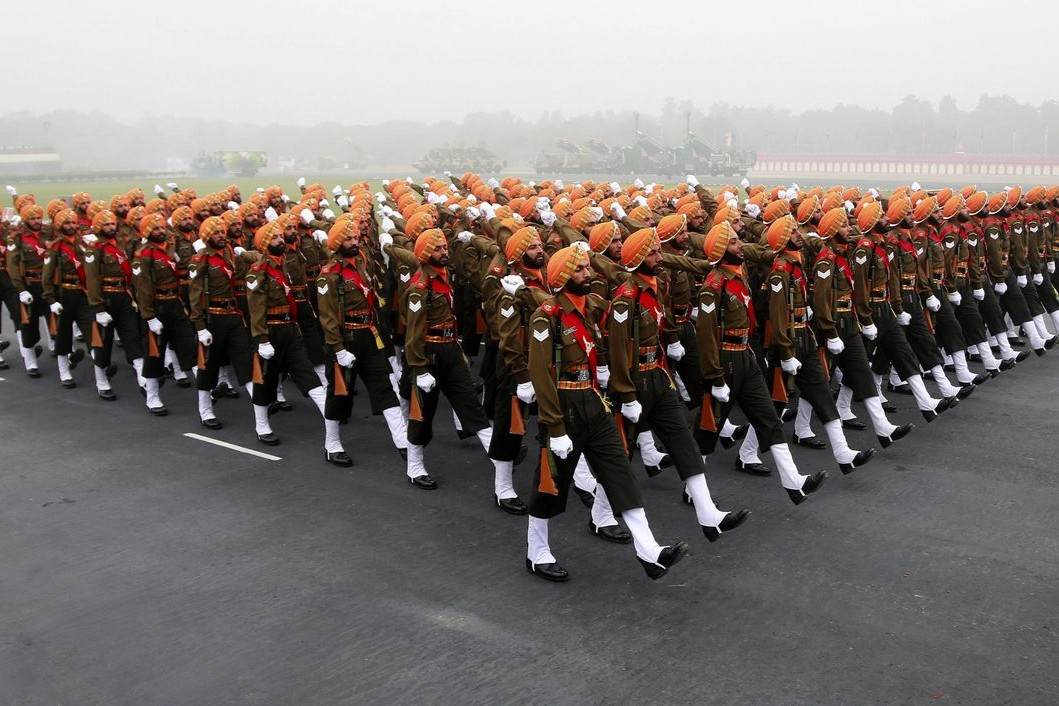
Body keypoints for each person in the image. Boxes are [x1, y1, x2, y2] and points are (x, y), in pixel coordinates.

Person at [525, 244, 688, 581]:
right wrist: (555, 428)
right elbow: (541, 375)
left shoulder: (590, 308)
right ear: (563, 276)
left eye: (588, 267)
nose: (588, 274)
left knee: (619, 472)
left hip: (595, 403)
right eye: (581, 269)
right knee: (549, 487)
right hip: (565, 409)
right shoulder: (547, 316)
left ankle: (650, 551)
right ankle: (537, 552)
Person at [316, 219, 409, 466]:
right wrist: (337, 349)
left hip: (369, 336)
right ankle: (332, 444)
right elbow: (327, 317)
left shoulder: (360, 265)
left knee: (385, 388)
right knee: (338, 395)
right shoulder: (329, 276)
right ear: (337, 244)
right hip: (346, 340)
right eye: (348, 239)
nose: (355, 242)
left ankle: (403, 442)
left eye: (356, 238)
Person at [187, 216, 257, 429]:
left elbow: (260, 258)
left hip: (233, 315)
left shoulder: (230, 252)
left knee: (245, 360)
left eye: (221, 231)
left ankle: (260, 403)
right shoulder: (200, 260)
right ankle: (205, 411)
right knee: (208, 366)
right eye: (215, 233)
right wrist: (199, 326)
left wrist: (242, 253)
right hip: (213, 317)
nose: (221, 235)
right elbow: (195, 295)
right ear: (207, 236)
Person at [133, 213, 198, 415]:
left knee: (190, 346)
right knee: (154, 356)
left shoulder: (169, 250)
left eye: (162, 227)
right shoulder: (143, 256)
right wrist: (150, 317)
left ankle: (208, 388)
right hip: (157, 308)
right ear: (147, 232)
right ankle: (152, 397)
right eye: (156, 229)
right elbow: (142, 289)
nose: (161, 231)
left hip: (175, 305)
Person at [84, 209, 144, 399]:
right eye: (106, 224)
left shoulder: (119, 245)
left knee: (132, 338)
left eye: (112, 224)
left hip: (124, 298)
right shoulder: (94, 249)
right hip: (106, 299)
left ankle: (145, 382)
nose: (111, 227)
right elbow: (92, 280)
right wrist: (98, 308)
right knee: (103, 343)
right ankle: (101, 382)